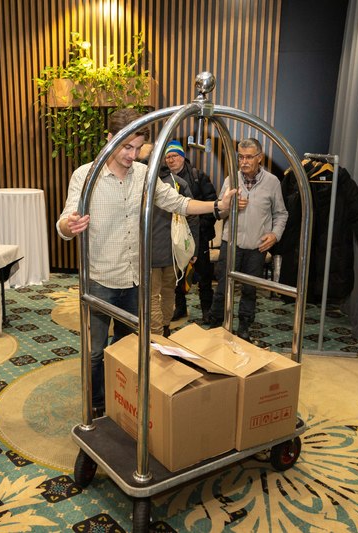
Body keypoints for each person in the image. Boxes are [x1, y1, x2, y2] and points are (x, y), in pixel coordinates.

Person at [56, 108, 237, 414]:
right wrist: (68, 226)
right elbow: (64, 221)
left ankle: (122, 400)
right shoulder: (85, 175)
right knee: (95, 351)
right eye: (127, 147)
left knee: (129, 348)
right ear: (110, 139)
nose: (132, 155)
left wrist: (217, 206)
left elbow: (177, 202)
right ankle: (96, 404)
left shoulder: (143, 175)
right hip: (100, 281)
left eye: (138, 148)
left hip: (135, 280)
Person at [206, 137, 288, 342]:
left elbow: (281, 214)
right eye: (241, 157)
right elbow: (218, 213)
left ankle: (244, 327)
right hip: (231, 245)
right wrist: (229, 206)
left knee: (250, 290)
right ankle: (216, 325)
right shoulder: (231, 180)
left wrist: (275, 235)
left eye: (249, 157)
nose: (244, 162)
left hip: (256, 247)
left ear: (259, 158)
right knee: (222, 288)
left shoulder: (272, 182)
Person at [162, 140, 218, 324]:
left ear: (182, 157)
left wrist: (201, 227)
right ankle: (180, 308)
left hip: (199, 236)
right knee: (177, 275)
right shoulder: (163, 179)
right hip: (174, 236)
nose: (171, 160)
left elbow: (212, 204)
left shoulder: (197, 176)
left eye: (174, 156)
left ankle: (206, 310)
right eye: (168, 157)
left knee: (204, 276)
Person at [149, 141, 198, 337]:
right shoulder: (179, 183)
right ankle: (166, 327)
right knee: (169, 290)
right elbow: (192, 217)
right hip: (174, 250)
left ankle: (155, 333)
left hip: (150, 250)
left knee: (152, 294)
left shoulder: (143, 183)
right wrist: (193, 248)